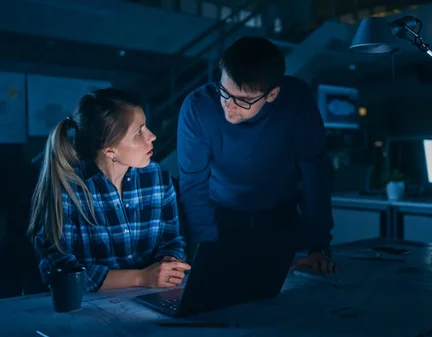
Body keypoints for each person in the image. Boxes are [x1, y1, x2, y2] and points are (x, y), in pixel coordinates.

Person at [177, 36, 336, 276]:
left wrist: (319, 246)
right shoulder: (198, 107)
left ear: (272, 95)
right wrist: (205, 248)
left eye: (243, 100)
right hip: (219, 214)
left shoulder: (296, 100)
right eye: (224, 92)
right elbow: (193, 184)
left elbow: (315, 175)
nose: (229, 106)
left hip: (279, 214)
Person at [29, 88, 191, 292]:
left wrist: (169, 261)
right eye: (139, 132)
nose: (152, 136)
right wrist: (141, 277)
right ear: (109, 149)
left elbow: (172, 240)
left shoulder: (158, 177)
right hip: (87, 311)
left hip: (152, 297)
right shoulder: (68, 189)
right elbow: (60, 270)